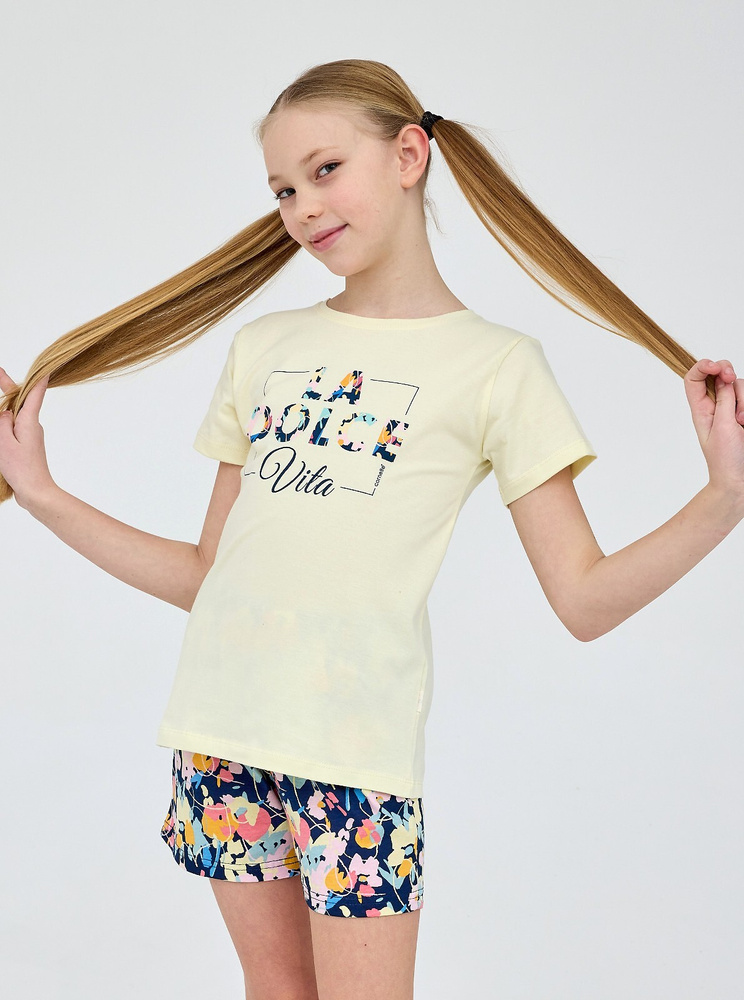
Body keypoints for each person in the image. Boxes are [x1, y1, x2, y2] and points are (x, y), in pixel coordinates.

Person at [0, 58, 742, 1000]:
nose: (303, 207)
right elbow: (207, 576)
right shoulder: (264, 347)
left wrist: (725, 496)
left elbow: (585, 600)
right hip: (221, 736)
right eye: (282, 189)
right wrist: (43, 492)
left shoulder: (496, 368)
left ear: (408, 155)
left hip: (355, 758)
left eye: (324, 170)